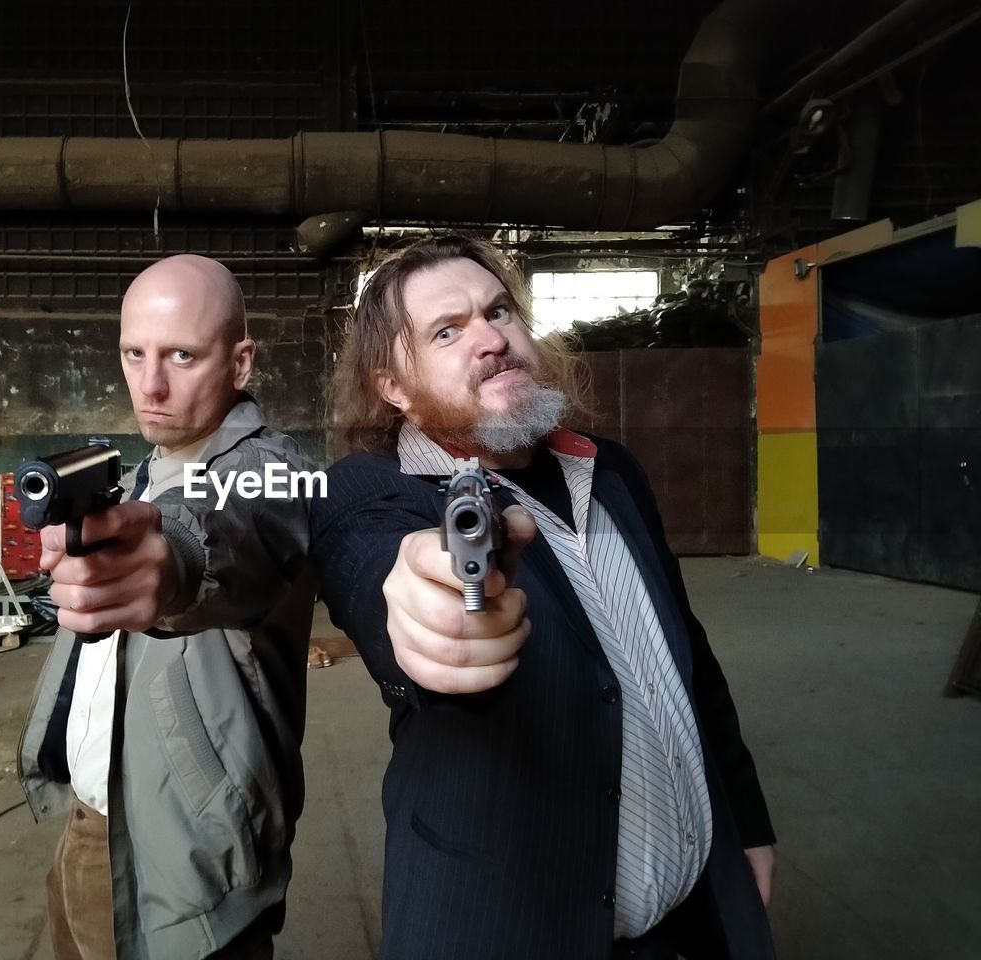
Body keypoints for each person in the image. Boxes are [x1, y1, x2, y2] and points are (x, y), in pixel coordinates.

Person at [311, 235, 776, 959]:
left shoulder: (610, 468)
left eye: (499, 312)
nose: (492, 339)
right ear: (392, 389)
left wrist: (747, 826)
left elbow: (689, 656)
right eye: (446, 331)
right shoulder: (374, 492)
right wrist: (422, 615)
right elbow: (376, 564)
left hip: (697, 916)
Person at [18, 254, 316, 960]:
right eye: (134, 353)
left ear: (240, 363)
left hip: (195, 856)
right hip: (91, 819)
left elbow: (224, 526)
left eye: (182, 355)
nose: (150, 385)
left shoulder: (276, 470)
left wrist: (175, 562)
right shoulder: (146, 469)